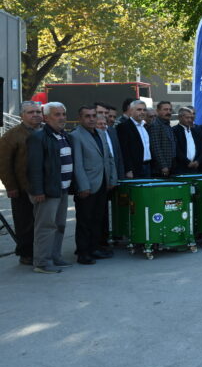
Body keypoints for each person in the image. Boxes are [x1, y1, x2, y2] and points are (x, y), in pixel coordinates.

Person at [26, 102, 75, 273]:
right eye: (57, 114)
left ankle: (55, 256)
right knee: (45, 227)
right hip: (47, 191)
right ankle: (42, 262)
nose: (62, 118)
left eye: (63, 114)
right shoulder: (38, 137)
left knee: (59, 225)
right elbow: (34, 167)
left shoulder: (64, 135)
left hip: (62, 189)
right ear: (46, 118)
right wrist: (38, 191)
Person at [68, 105, 118, 265]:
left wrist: (112, 179)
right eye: (87, 116)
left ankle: (95, 248)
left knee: (98, 218)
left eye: (93, 115)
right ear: (79, 118)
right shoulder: (76, 136)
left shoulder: (101, 133)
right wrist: (82, 186)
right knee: (85, 220)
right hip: (87, 185)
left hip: (102, 183)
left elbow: (109, 158)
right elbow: (77, 163)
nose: (91, 119)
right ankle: (83, 252)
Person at [0, 101, 43, 265]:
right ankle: (26, 254)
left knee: (41, 223)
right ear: (21, 116)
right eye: (31, 112)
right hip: (22, 188)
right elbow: (4, 164)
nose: (35, 115)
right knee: (25, 223)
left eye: (38, 112)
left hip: (43, 187)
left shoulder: (45, 131)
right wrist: (11, 186)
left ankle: (40, 251)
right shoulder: (11, 136)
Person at [116, 100, 152, 178]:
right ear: (131, 111)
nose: (142, 112)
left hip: (148, 166)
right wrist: (128, 169)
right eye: (139, 109)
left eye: (144, 110)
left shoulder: (145, 126)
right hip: (134, 168)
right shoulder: (124, 127)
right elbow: (124, 150)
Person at [172, 107, 202, 174]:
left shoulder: (196, 131)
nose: (190, 120)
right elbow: (176, 149)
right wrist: (187, 162)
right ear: (180, 117)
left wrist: (198, 161)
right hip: (180, 168)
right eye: (187, 118)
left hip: (196, 168)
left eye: (191, 118)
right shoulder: (174, 131)